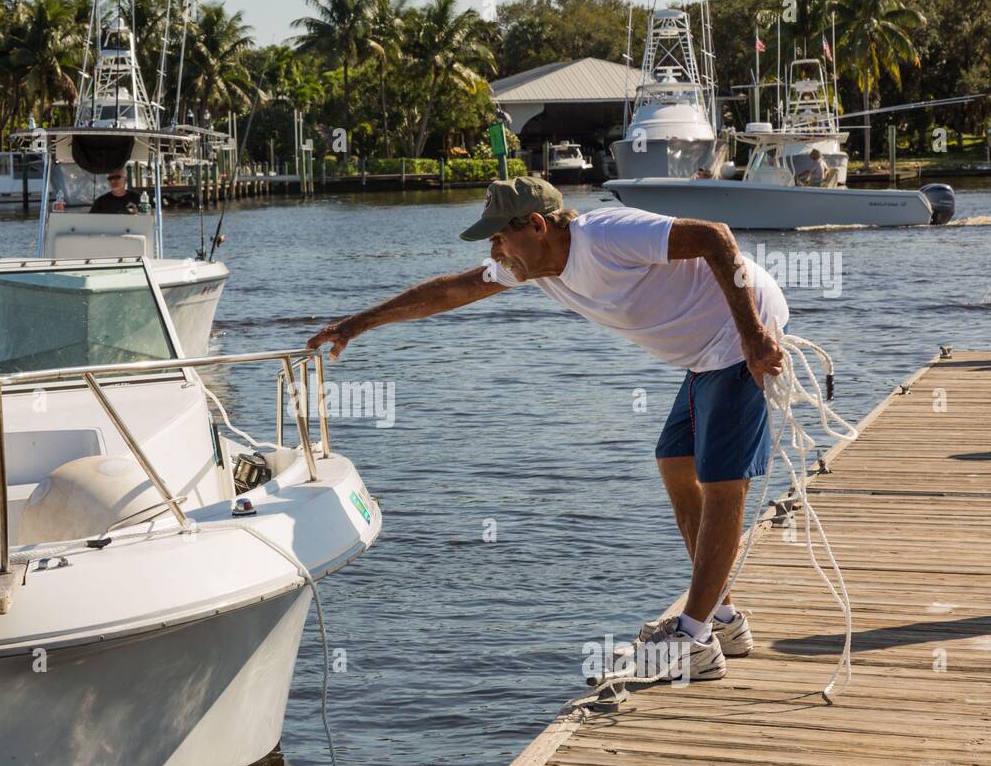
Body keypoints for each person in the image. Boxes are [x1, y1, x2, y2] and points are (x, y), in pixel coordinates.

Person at [306, 177, 789, 683]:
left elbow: (714, 236)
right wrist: (357, 324)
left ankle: (694, 639)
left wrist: (755, 337)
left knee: (723, 486)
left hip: (740, 339)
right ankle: (723, 618)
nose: (494, 251)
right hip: (703, 354)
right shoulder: (535, 266)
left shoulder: (607, 235)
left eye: (498, 238)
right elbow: (453, 290)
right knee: (675, 465)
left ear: (536, 226)